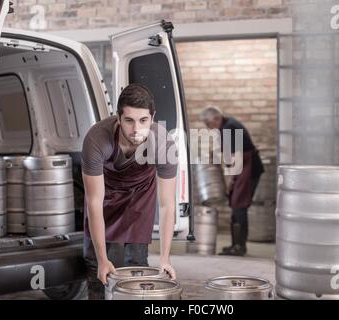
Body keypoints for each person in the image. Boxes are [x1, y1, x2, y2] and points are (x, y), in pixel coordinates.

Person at [81, 83, 178, 299]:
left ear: (152, 118)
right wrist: (103, 259)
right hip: (105, 195)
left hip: (140, 195)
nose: (136, 129)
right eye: (129, 120)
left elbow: (167, 204)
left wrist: (165, 258)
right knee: (97, 265)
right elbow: (94, 202)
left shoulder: (163, 144)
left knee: (136, 265)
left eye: (143, 121)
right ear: (118, 118)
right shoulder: (96, 140)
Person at [200, 106, 264, 256]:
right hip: (242, 167)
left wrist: (230, 181)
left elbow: (236, 157)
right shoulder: (226, 126)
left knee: (239, 205)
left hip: (247, 169)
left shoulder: (230, 127)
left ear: (216, 118)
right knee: (235, 204)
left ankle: (239, 247)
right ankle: (235, 245)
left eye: (208, 124)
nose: (208, 128)